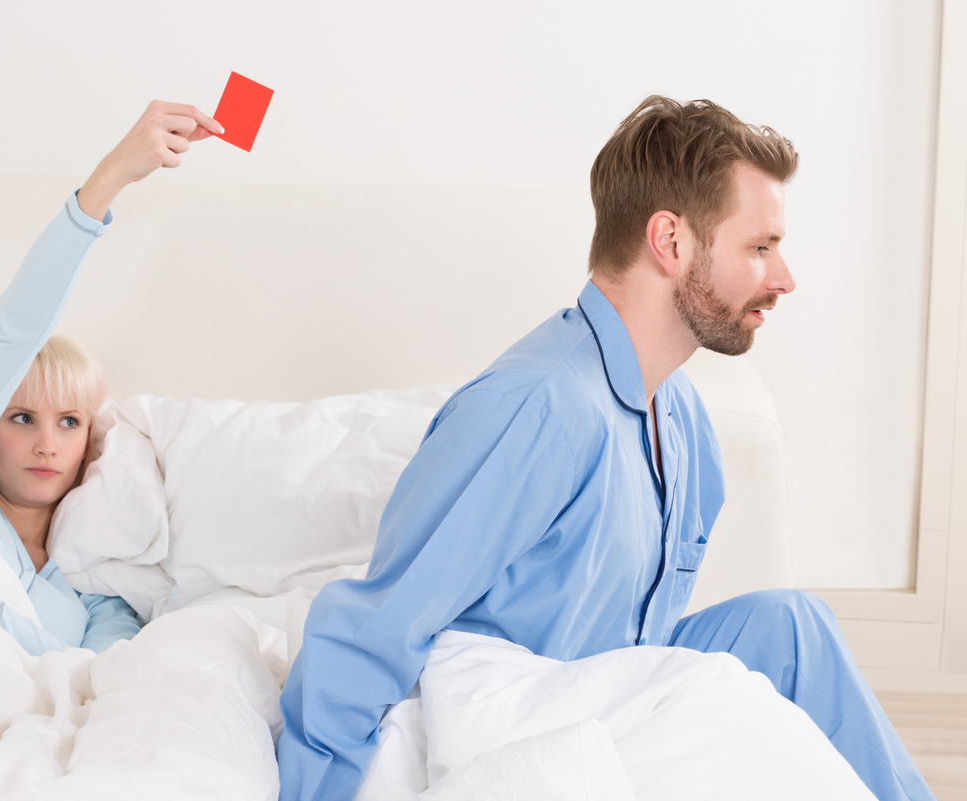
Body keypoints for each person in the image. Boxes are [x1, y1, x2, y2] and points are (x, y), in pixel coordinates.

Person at [276, 95, 934, 801]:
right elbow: (374, 627)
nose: (784, 277)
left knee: (791, 627)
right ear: (671, 241)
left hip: (615, 689)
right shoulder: (538, 408)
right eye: (760, 247)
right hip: (524, 729)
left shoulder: (680, 418)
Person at [0, 101, 223, 656]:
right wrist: (108, 180)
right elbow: (9, 335)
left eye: (69, 422)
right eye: (22, 417)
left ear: (90, 439)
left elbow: (110, 679)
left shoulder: (95, 587)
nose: (46, 444)